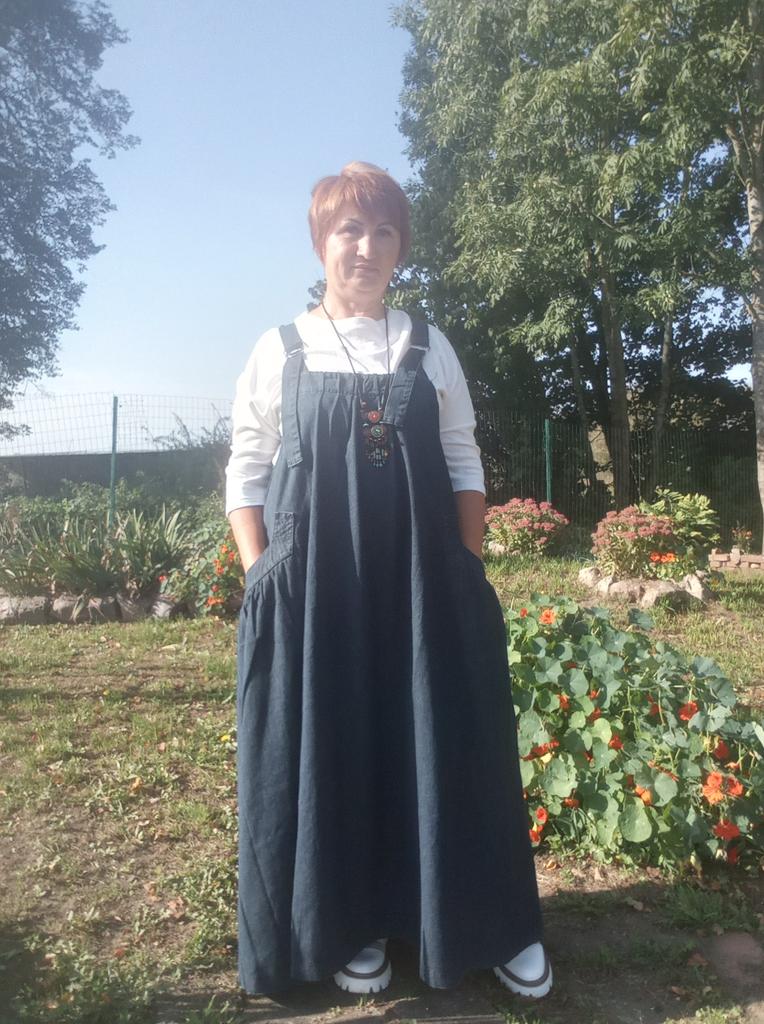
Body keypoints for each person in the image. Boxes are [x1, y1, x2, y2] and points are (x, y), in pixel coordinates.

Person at [225, 161, 551, 1000]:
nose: (365, 248)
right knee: (333, 740)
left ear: (400, 247)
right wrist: (264, 575)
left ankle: (488, 923)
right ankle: (350, 922)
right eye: (349, 231)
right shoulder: (279, 350)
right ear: (321, 243)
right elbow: (247, 471)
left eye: (383, 233)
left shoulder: (428, 345)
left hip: (421, 583)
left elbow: (463, 458)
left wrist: (465, 566)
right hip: (317, 592)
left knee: (451, 737)